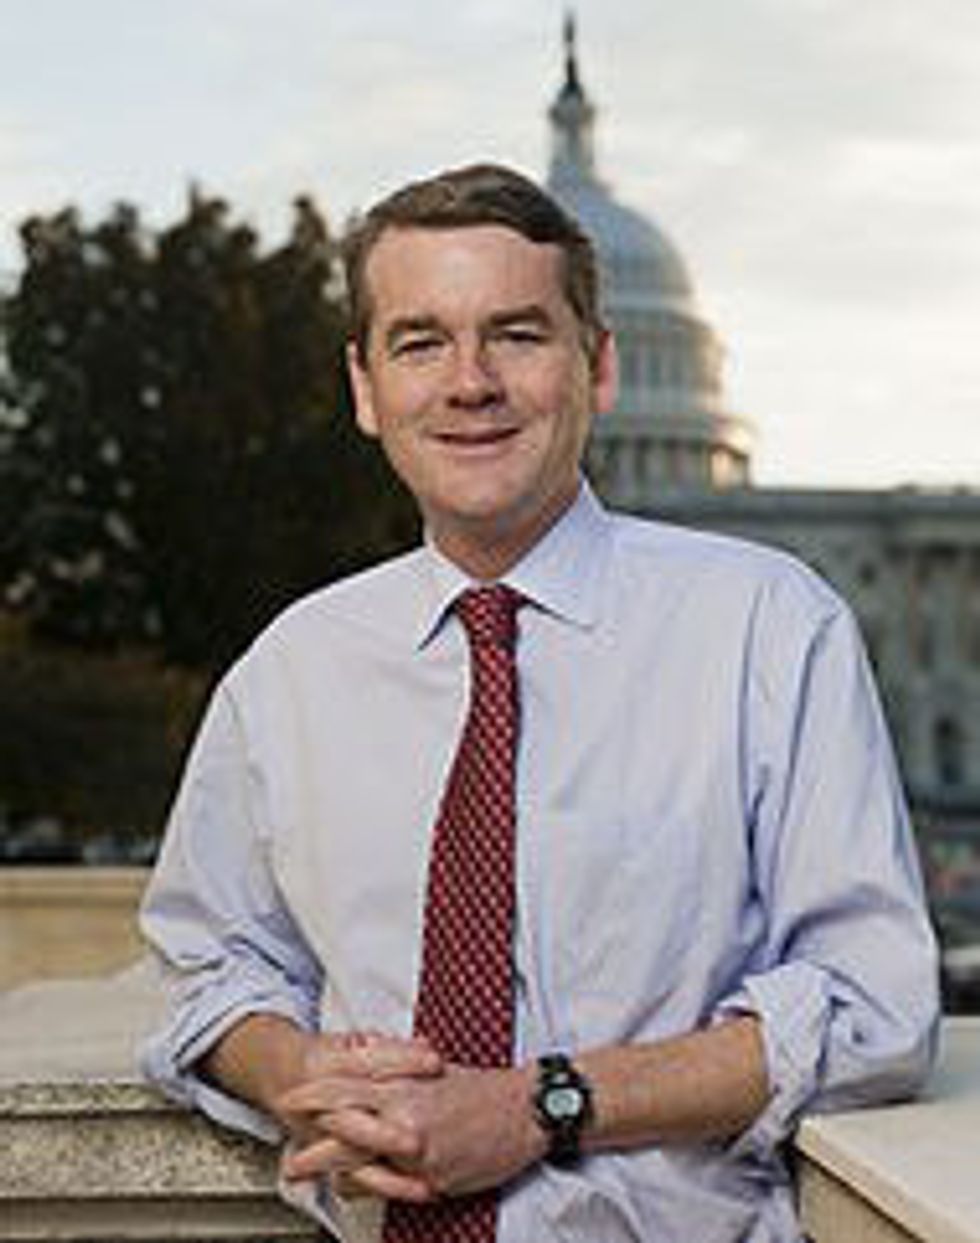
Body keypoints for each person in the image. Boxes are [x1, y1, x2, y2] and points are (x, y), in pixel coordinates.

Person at [139, 162, 940, 1243]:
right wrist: (300, 1070)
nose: (469, 382)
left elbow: (873, 1001)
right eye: (420, 343)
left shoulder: (767, 628)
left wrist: (534, 1104)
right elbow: (208, 959)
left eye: (516, 335)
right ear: (366, 389)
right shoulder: (290, 670)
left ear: (598, 367)